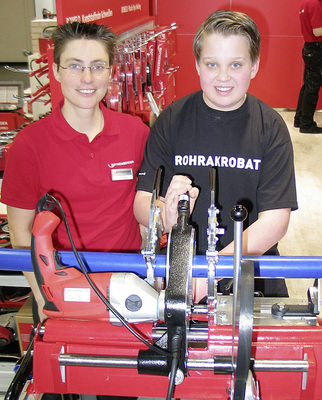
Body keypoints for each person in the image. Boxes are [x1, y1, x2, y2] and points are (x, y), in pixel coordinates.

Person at [134, 10, 298, 301]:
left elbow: (275, 221)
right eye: (212, 64)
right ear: (198, 64)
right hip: (180, 273)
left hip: (250, 274)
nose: (223, 77)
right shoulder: (171, 121)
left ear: (254, 66)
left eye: (236, 64)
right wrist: (163, 214)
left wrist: (212, 272)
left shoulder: (270, 127)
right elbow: (142, 201)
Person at [1, 22, 149, 323]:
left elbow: (144, 214)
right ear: (55, 71)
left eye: (97, 66)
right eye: (74, 66)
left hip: (128, 287)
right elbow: (20, 234)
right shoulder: (29, 145)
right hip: (63, 291)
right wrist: (47, 300)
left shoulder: (136, 133)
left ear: (111, 71)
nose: (87, 78)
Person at [294, 0, 322, 133]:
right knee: (312, 88)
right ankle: (306, 124)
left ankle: (299, 119)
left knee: (307, 86)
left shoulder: (306, 3)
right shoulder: (315, 5)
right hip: (317, 49)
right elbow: (317, 31)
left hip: (310, 48)